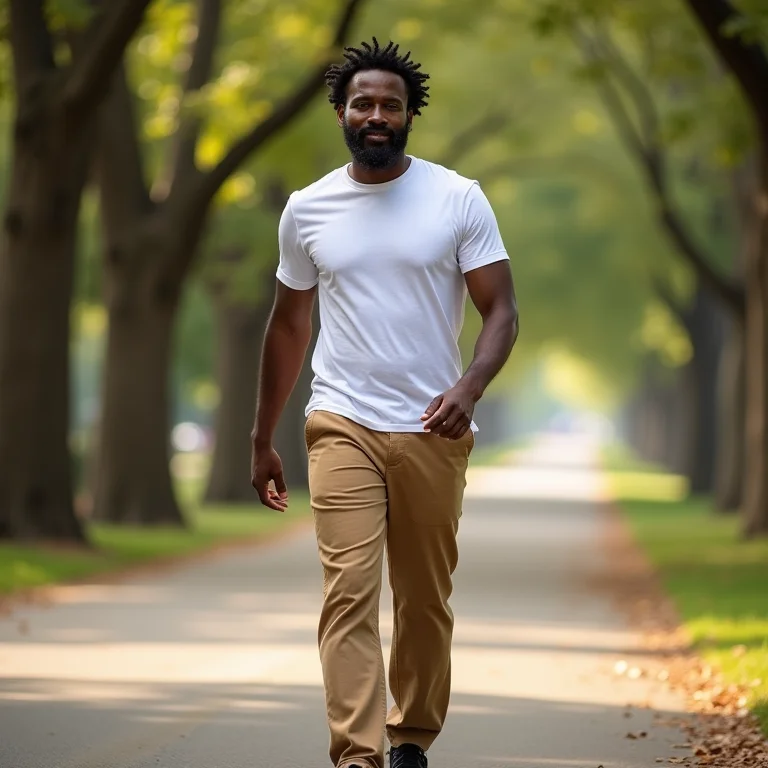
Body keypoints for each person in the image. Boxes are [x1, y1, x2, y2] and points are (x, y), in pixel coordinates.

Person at [250, 37, 519, 768]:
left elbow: (500, 310)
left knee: (425, 601)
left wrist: (468, 387)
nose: (376, 115)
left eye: (390, 106)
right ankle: (358, 755)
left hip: (433, 425)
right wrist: (262, 435)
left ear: (408, 117)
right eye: (363, 103)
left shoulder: (456, 197)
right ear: (342, 111)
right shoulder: (307, 210)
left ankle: (410, 737)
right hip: (340, 421)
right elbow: (288, 323)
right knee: (349, 593)